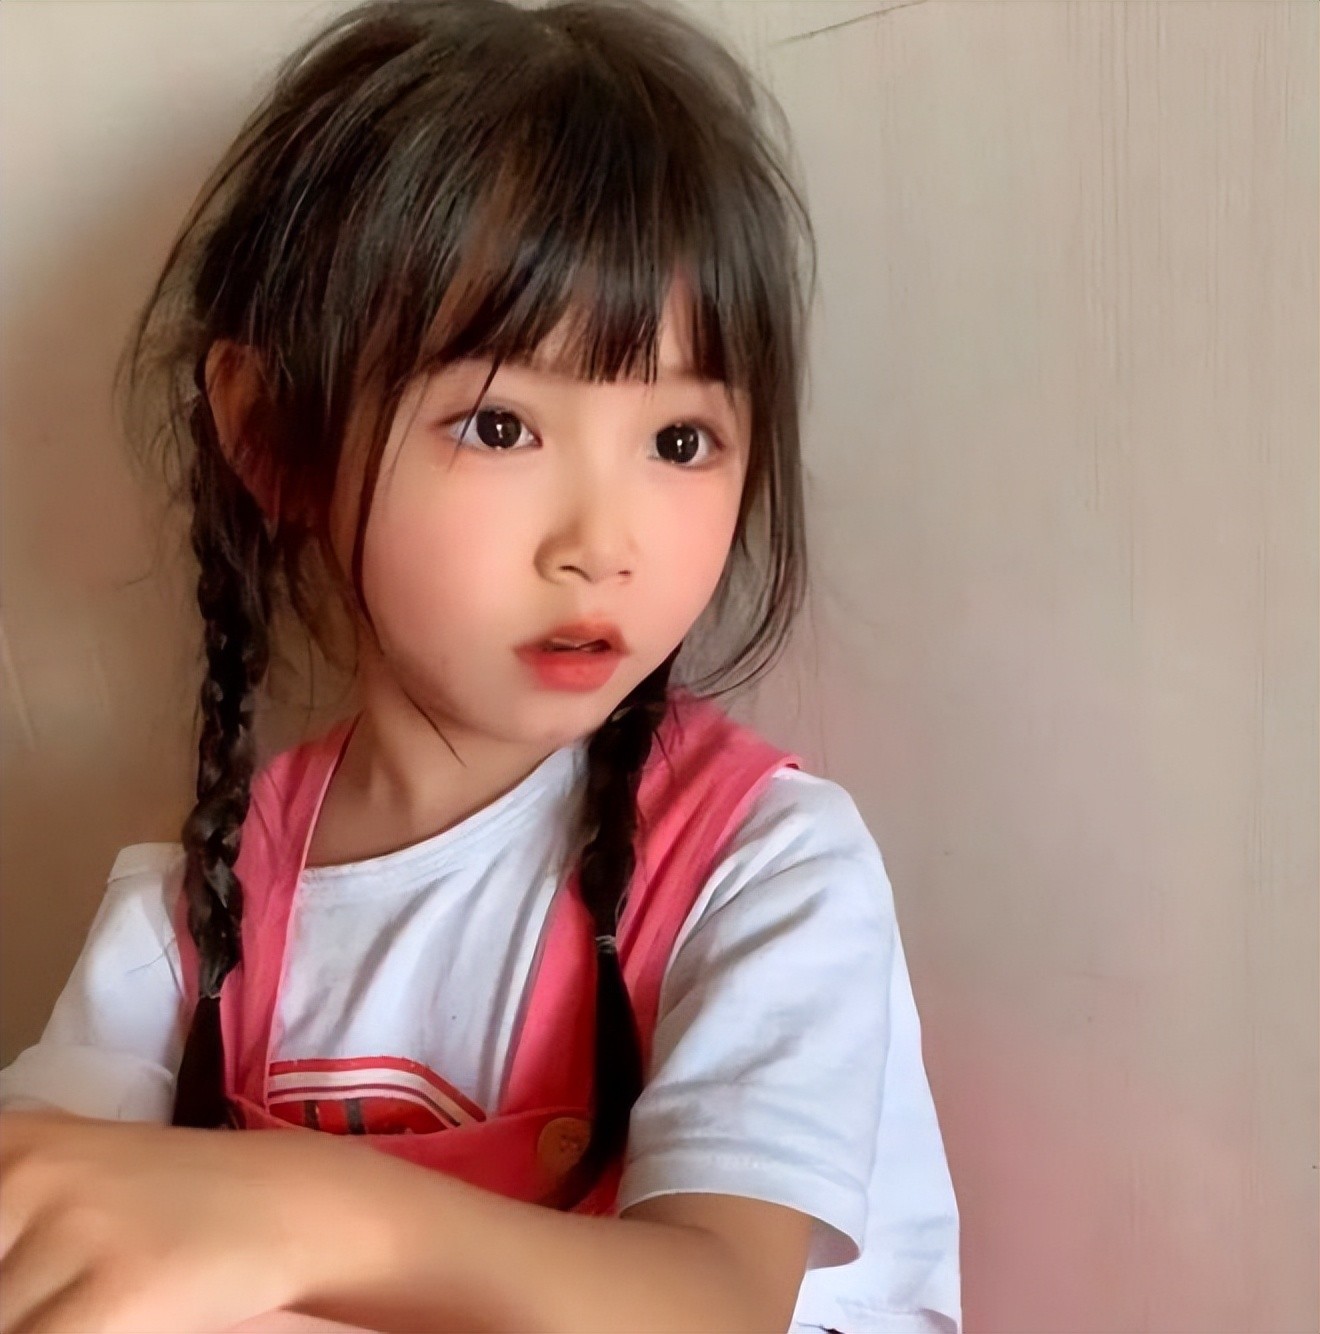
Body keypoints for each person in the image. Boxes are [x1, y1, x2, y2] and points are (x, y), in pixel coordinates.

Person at [0, 1, 960, 1330]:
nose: (602, 544)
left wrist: (297, 1214)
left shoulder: (765, 866)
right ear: (273, 436)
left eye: (680, 441)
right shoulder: (191, 916)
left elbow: (711, 1301)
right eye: (501, 425)